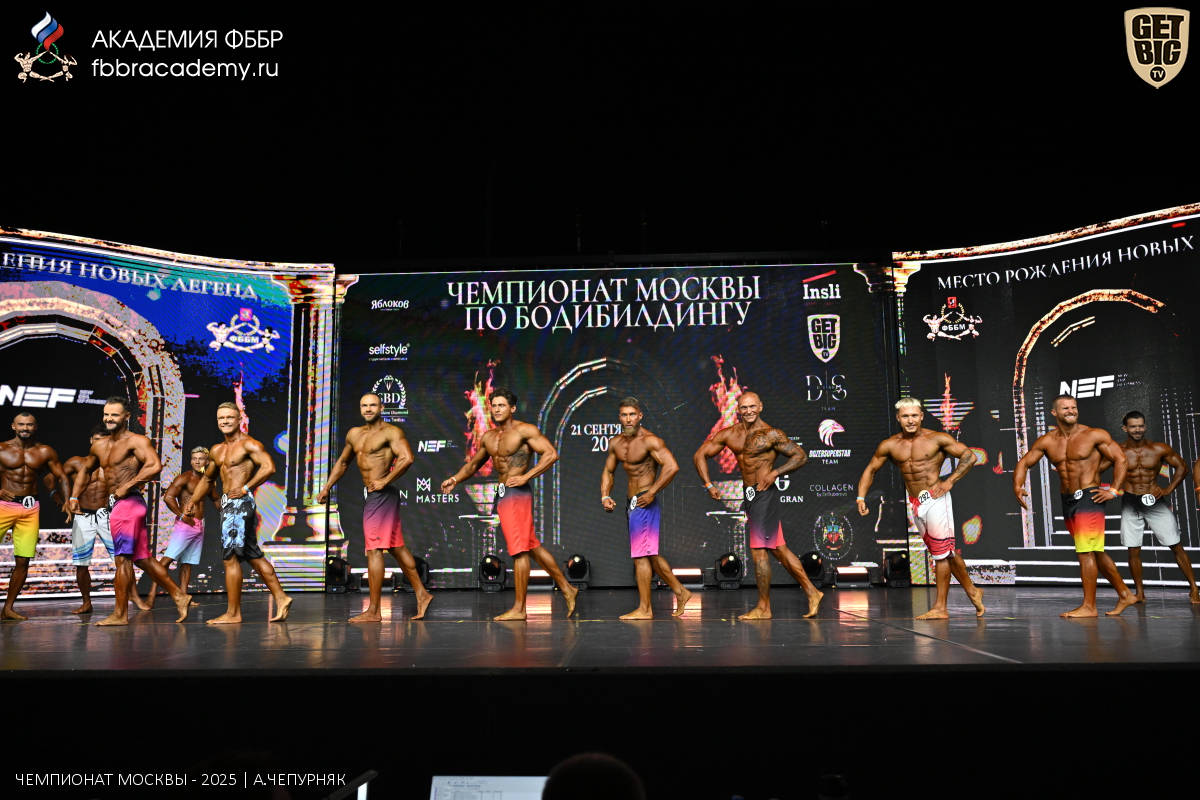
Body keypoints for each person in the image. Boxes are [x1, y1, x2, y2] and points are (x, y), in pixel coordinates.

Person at [440, 388, 577, 620]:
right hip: (503, 494)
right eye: (494, 406)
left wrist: (526, 476)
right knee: (531, 546)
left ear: (512, 408)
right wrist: (454, 479)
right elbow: (473, 465)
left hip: (517, 494)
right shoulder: (489, 437)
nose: (497, 409)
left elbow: (551, 454)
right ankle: (567, 588)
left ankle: (520, 609)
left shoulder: (524, 430)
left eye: (502, 405)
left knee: (519, 551)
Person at [693, 392, 823, 619]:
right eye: (744, 407)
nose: (749, 411)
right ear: (738, 409)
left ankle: (764, 608)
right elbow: (699, 455)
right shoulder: (730, 434)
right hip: (750, 495)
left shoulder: (771, 434)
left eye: (752, 406)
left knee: (758, 551)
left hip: (765, 495)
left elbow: (800, 456)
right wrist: (708, 484)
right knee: (778, 549)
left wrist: (775, 473)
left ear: (760, 406)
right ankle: (812, 592)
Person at [855, 398, 985, 618]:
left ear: (922, 416)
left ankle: (940, 608)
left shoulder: (937, 438)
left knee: (941, 555)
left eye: (914, 415)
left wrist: (950, 481)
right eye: (905, 416)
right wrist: (861, 497)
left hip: (936, 498)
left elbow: (969, 456)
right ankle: (973, 591)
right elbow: (871, 469)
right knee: (944, 552)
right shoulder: (890, 445)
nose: (910, 420)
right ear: (898, 418)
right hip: (915, 502)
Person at [67, 398, 192, 625]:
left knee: (122, 560)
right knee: (142, 559)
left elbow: (154, 465)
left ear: (127, 416)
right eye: (106, 414)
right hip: (119, 504)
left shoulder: (136, 441)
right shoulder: (99, 445)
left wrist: (128, 485)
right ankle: (180, 596)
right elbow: (86, 470)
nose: (109, 419)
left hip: (129, 503)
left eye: (114, 415)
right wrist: (75, 496)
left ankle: (120, 614)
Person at [1013, 394, 1136, 617]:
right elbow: (1024, 462)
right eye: (1065, 408)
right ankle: (1125, 594)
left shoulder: (1094, 434)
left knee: (1086, 551)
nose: (1071, 411)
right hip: (1068, 499)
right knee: (1093, 550)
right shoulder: (1047, 441)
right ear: (1054, 413)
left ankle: (1089, 607)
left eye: (1074, 407)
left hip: (1089, 496)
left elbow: (1121, 458)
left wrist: (1114, 490)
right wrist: (1017, 485)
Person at [318, 393, 433, 622]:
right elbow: (343, 462)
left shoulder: (391, 432)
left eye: (372, 405)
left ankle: (374, 611)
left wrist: (385, 480)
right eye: (364, 405)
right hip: (373, 495)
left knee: (374, 551)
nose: (368, 409)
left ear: (381, 407)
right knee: (396, 548)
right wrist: (327, 487)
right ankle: (422, 594)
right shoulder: (354, 434)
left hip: (381, 495)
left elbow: (407, 458)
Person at [188, 402, 292, 624]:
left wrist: (246, 488)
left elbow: (269, 467)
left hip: (239, 504)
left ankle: (233, 613)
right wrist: (193, 501)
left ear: (239, 419)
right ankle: (282, 598)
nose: (225, 421)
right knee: (253, 555)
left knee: (231, 558)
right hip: (228, 505)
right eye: (221, 418)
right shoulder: (217, 450)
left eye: (229, 417)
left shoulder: (249, 444)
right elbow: (207, 479)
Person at [600, 397, 692, 619]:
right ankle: (681, 592)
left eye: (632, 414)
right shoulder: (616, 443)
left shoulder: (650, 441)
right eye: (624, 415)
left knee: (641, 556)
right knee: (649, 554)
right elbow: (609, 470)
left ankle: (645, 609)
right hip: (631, 503)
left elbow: (672, 466)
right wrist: (605, 495)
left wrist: (652, 492)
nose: (628, 419)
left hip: (644, 501)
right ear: (619, 417)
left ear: (640, 416)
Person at [51, 425, 152, 614]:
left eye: (103, 440)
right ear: (91, 441)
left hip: (107, 514)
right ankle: (86, 602)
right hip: (83, 516)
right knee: (81, 564)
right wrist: (57, 495)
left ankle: (135, 596)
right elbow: (51, 478)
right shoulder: (77, 462)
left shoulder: (114, 466)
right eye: (96, 439)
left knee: (123, 559)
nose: (100, 443)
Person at [1108, 411, 1198, 603]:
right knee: (1133, 549)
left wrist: (1168, 489)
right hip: (1131, 500)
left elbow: (1182, 467)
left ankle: (1194, 589)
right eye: (1133, 426)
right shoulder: (1118, 451)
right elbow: (1095, 468)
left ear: (1145, 426)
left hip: (1154, 500)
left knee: (1176, 545)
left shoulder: (1158, 448)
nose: (1137, 429)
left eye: (1141, 425)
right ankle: (1140, 593)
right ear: (1125, 428)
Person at [1, 413, 70, 621]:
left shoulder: (45, 451)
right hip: (4, 506)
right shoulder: (2, 449)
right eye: (21, 424)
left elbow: (61, 476)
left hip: (30, 508)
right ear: (13, 426)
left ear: (35, 427)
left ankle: (8, 608)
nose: (25, 428)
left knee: (23, 560)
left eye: (29, 424)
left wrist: (68, 500)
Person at [146, 447, 218, 608]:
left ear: (207, 462)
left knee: (187, 563)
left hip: (200, 524)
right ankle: (151, 596)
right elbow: (168, 497)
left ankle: (184, 598)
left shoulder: (208, 481)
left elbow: (216, 499)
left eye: (201, 459)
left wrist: (227, 514)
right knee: (167, 560)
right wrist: (182, 515)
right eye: (194, 459)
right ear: (191, 461)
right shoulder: (184, 478)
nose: (197, 462)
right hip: (185, 525)